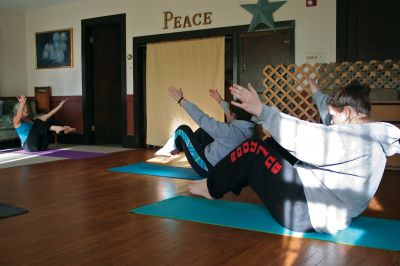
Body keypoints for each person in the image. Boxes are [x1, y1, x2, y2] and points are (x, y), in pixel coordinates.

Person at [188, 80, 400, 234]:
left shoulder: (354, 142)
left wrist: (262, 111)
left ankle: (211, 187)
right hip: (326, 206)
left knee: (252, 150)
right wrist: (316, 92)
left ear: (347, 112)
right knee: (272, 145)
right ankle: (232, 178)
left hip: (306, 212)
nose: (330, 120)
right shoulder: (368, 136)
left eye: (334, 116)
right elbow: (328, 115)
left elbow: (307, 138)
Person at [156, 86, 256, 177]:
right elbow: (231, 110)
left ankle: (172, 147)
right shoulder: (249, 129)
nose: (226, 114)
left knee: (183, 130)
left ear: (234, 115)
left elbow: (201, 118)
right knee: (204, 131)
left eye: (228, 113)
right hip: (224, 168)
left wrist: (181, 100)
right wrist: (219, 100)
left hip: (207, 168)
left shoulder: (228, 131)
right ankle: (180, 147)